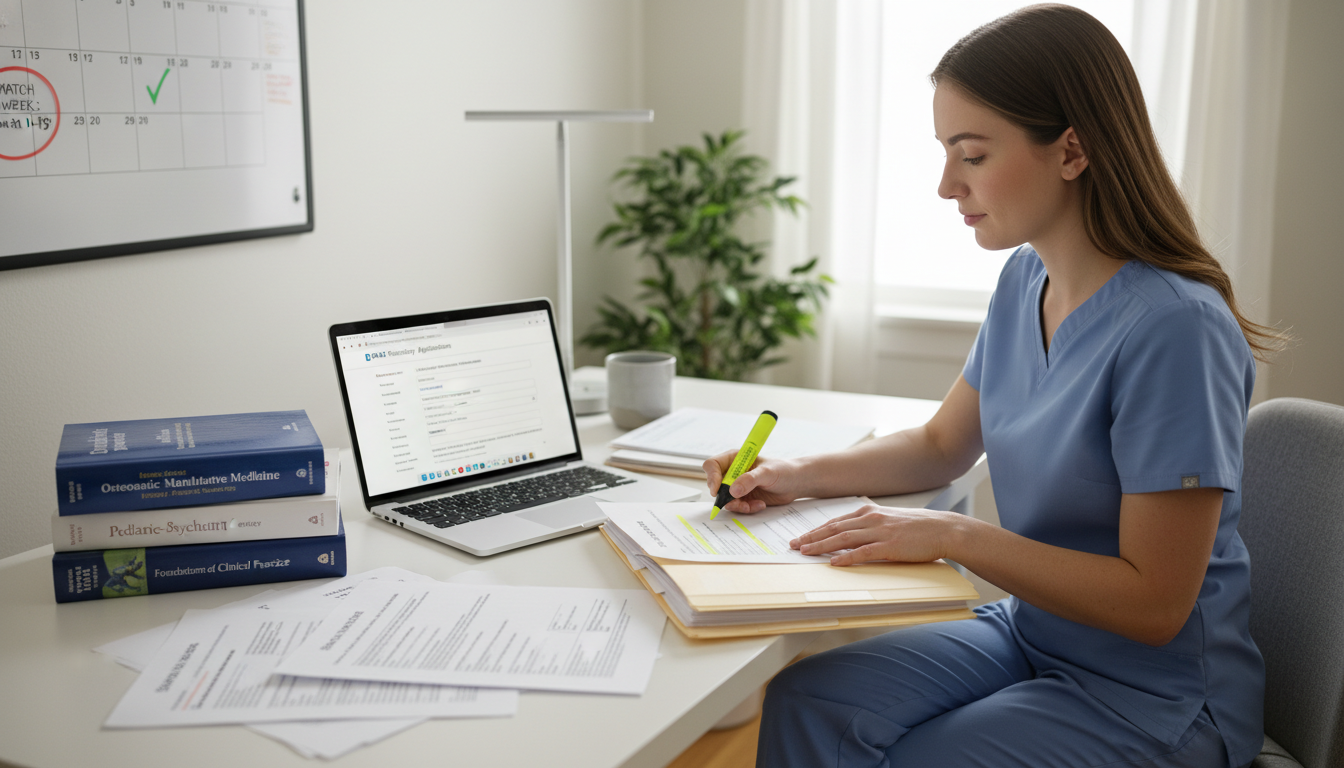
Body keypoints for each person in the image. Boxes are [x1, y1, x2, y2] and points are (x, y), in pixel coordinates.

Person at [703, 5, 1284, 767]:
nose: (947, 185)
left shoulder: (1175, 329)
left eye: (970, 155)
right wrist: (793, 477)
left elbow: (1154, 604)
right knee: (810, 699)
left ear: (1071, 150)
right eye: (946, 153)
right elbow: (943, 444)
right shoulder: (1025, 279)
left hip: (1157, 698)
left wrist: (953, 535)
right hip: (1036, 630)